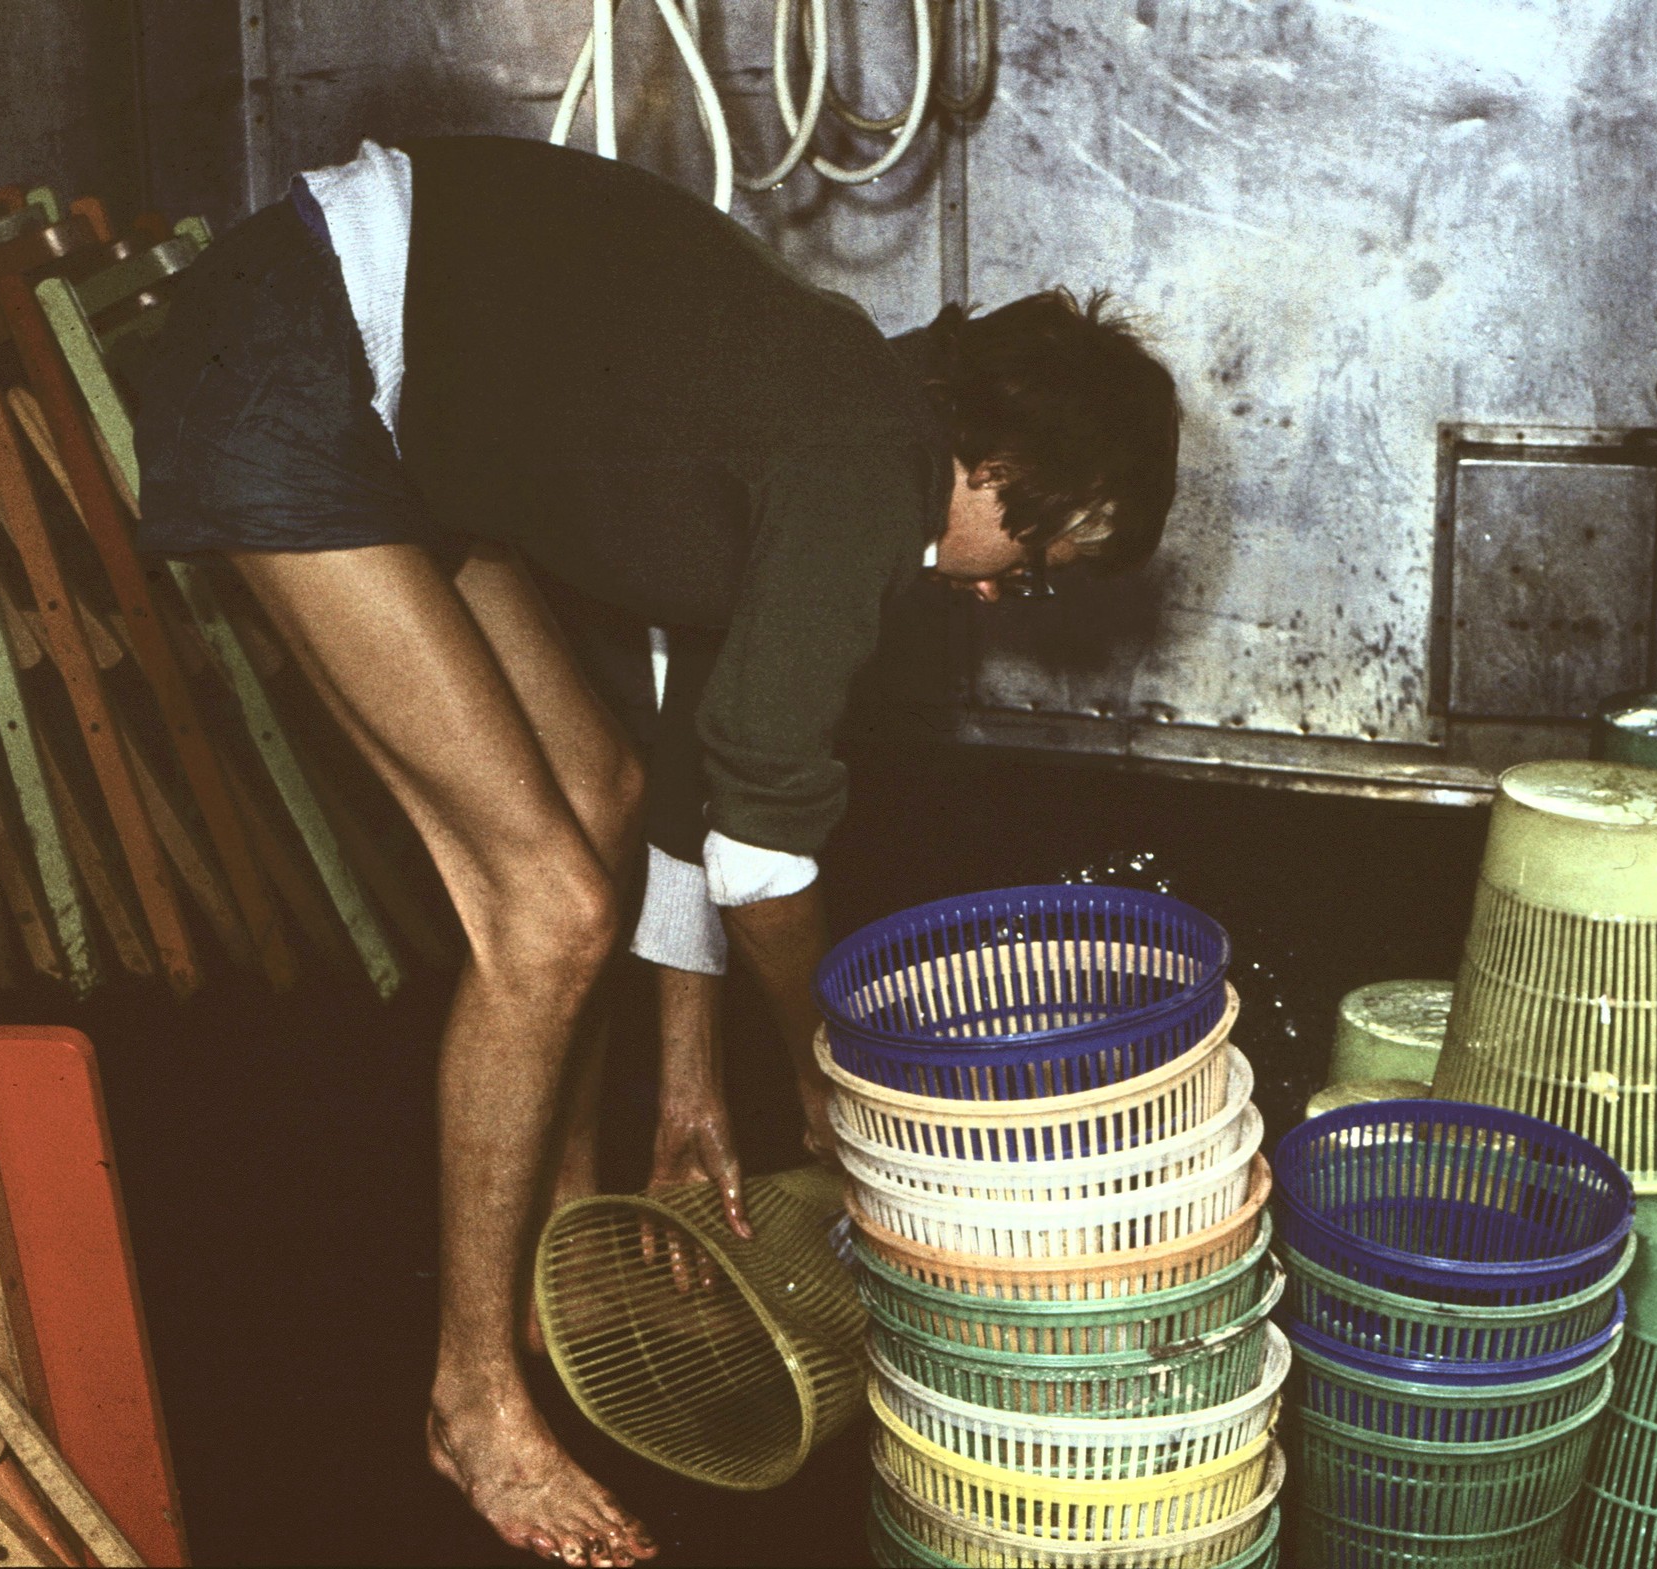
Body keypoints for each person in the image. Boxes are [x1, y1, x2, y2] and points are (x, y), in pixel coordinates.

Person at [134, 134, 1181, 1567]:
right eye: (1042, 561)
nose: (1010, 597)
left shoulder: (848, 408)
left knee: (601, 785)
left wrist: (692, 1081)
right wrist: (823, 1073)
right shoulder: (861, 476)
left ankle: (563, 1226)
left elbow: (706, 755)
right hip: (302, 354)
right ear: (999, 469)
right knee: (549, 911)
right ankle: (469, 1399)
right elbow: (765, 853)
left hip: (403, 396)